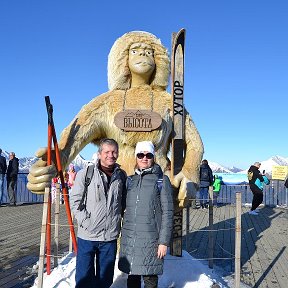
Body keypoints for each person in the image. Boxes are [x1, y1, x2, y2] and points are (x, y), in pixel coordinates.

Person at [27, 31, 204, 209]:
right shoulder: (106, 102)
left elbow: (194, 144)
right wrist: (52, 165)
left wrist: (189, 173)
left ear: (159, 60)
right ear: (122, 58)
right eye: (135, 50)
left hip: (158, 191)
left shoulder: (169, 102)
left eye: (149, 51)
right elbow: (73, 139)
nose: (143, 54)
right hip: (115, 191)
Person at [69, 138, 126, 288]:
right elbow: (75, 202)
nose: (110, 155)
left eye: (114, 152)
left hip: (109, 237)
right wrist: (87, 222)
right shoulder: (85, 174)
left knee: (105, 280)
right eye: (107, 151)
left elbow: (124, 203)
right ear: (99, 154)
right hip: (87, 236)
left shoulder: (121, 176)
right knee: (84, 279)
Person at [118, 141, 174, 288]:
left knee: (150, 279)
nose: (144, 158)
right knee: (132, 278)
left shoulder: (161, 181)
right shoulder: (130, 180)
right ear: (136, 157)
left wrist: (164, 242)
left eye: (148, 155)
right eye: (140, 155)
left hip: (151, 240)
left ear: (153, 157)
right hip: (131, 239)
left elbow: (168, 212)